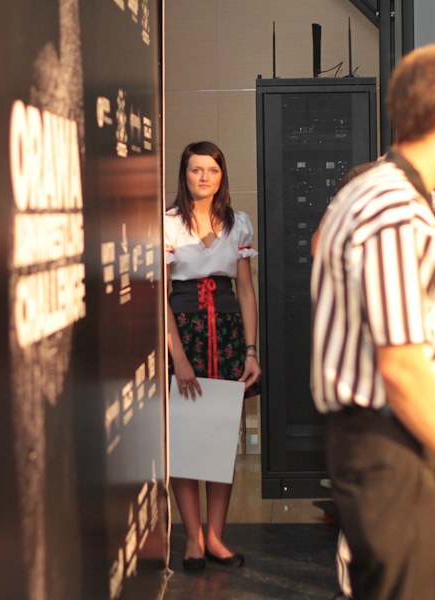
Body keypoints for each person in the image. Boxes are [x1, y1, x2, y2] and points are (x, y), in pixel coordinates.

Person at [311, 43, 435, 600]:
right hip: (391, 444)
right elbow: (401, 367)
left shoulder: (368, 191)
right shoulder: (395, 207)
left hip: (385, 441)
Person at [164, 140, 261, 573]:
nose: (203, 178)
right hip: (183, 331)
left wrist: (251, 349)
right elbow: (158, 297)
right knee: (186, 439)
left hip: (226, 334)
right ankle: (192, 539)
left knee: (222, 439)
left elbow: (245, 290)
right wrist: (178, 358)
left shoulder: (237, 224)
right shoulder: (166, 225)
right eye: (195, 170)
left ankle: (217, 537)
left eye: (212, 171)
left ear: (222, 176)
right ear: (183, 175)